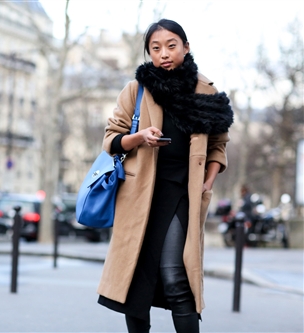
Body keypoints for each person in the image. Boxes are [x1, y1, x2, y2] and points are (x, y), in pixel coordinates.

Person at [96, 19, 233, 333]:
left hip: (182, 194)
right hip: (140, 195)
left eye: (171, 45)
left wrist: (208, 182)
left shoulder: (206, 92)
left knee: (175, 275)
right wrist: (140, 136)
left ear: (186, 47)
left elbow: (218, 145)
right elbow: (111, 140)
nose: (164, 53)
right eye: (155, 48)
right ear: (148, 53)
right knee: (136, 278)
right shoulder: (137, 90)